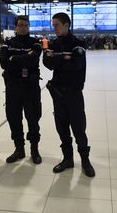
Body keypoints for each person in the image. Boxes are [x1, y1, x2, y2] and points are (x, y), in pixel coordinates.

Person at [43, 12, 95, 177]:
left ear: (66, 24)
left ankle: (85, 161)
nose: (54, 28)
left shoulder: (78, 43)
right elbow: (47, 63)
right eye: (53, 25)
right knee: (62, 128)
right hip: (58, 95)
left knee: (79, 129)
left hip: (74, 94)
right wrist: (64, 57)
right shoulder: (53, 43)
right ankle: (68, 159)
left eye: (57, 24)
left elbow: (77, 65)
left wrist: (57, 58)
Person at [0, 16, 42, 164]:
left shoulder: (35, 43)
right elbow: (4, 63)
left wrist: (14, 59)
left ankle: (34, 149)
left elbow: (34, 59)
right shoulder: (8, 43)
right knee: (14, 118)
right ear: (15, 27)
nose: (23, 27)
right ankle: (19, 149)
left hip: (31, 88)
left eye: (26, 25)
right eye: (20, 25)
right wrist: (25, 57)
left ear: (28, 27)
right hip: (13, 88)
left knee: (33, 118)